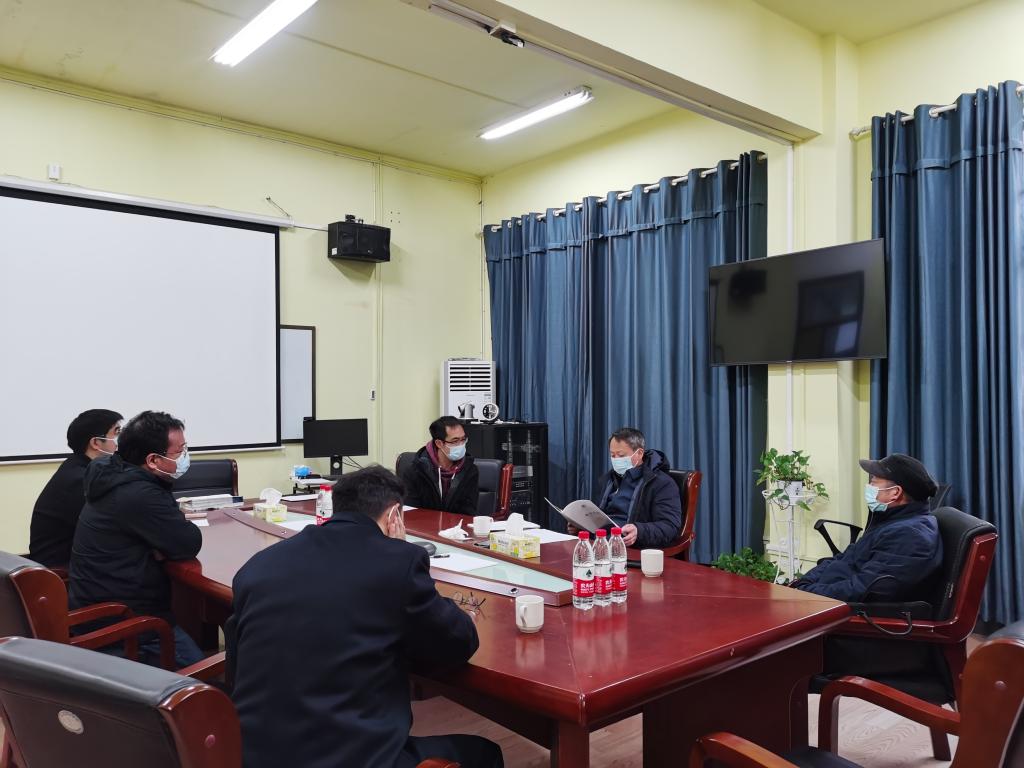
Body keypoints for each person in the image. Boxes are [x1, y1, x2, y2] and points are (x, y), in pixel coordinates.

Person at [230, 466, 503, 768]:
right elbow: (458, 643)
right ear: (395, 515)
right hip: (348, 758)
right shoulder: (397, 562)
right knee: (485, 754)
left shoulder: (259, 566)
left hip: (251, 754)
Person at [69, 410, 204, 667]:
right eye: (180, 451)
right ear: (153, 460)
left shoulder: (109, 471)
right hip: (126, 626)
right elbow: (188, 543)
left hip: (95, 608)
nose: (185, 457)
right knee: (205, 679)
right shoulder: (138, 494)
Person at [791, 453, 942, 602]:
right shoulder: (889, 520)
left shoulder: (909, 536)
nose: (869, 487)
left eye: (874, 482)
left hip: (849, 610)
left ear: (895, 493)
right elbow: (844, 558)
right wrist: (803, 584)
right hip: (823, 594)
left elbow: (864, 590)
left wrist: (808, 593)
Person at [28, 409, 122, 567]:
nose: (121, 439)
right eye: (116, 432)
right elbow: (112, 527)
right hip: (61, 570)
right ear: (95, 443)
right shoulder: (79, 479)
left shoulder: (80, 467)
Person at [593, 427, 682, 549]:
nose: (616, 460)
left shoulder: (662, 483)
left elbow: (670, 526)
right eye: (612, 455)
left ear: (639, 453)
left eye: (621, 455)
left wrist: (639, 531)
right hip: (601, 541)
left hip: (632, 546)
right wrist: (581, 525)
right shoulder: (609, 479)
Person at [400, 416, 479, 516]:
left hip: (457, 524)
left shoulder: (470, 470)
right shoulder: (415, 471)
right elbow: (411, 512)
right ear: (439, 443)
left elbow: (468, 511)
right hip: (424, 523)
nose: (461, 444)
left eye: (463, 439)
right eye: (455, 441)